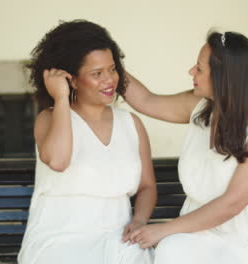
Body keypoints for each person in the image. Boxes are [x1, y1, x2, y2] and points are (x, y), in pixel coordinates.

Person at [122, 31, 248, 264]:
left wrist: (162, 230)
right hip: (193, 235)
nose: (191, 72)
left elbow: (231, 203)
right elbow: (145, 100)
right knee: (171, 250)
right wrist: (108, 63)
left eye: (199, 68)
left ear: (224, 76)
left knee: (171, 247)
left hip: (243, 243)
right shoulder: (200, 108)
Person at [18, 20, 156, 264]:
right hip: (60, 242)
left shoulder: (131, 123)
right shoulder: (49, 118)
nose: (110, 80)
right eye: (97, 73)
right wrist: (61, 98)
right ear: (71, 79)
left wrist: (139, 221)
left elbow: (147, 187)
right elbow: (59, 161)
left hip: (117, 240)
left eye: (112, 69)